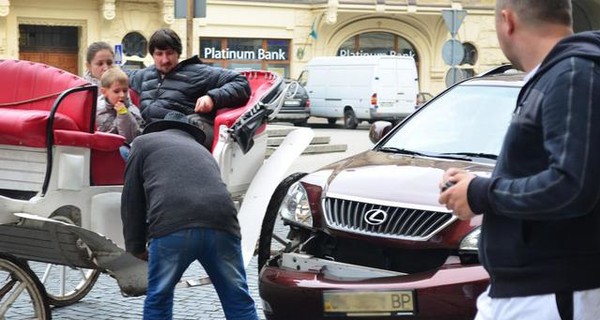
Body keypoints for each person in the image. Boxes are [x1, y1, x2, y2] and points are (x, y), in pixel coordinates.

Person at [438, 1, 600, 319]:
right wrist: (473, 186)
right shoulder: (558, 74)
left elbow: (573, 185)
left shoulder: (572, 75)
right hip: (529, 290)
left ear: (507, 21)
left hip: (551, 293)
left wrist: (479, 193)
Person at [120, 111, 259, 320]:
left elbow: (132, 200)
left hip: (173, 225)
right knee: (238, 300)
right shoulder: (202, 151)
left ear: (160, 129)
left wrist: (135, 248)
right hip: (223, 223)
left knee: (159, 299)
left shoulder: (142, 142)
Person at [127, 28, 251, 150]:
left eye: (169, 53)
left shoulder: (198, 73)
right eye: (159, 54)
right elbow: (117, 76)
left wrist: (212, 98)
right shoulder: (144, 75)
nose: (164, 60)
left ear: (178, 53)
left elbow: (241, 82)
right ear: (152, 55)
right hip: (148, 141)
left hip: (182, 143)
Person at [96, 67, 143, 144]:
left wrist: (124, 114)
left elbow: (131, 138)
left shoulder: (132, 110)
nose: (122, 95)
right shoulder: (97, 109)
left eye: (125, 91)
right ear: (104, 92)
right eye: (116, 91)